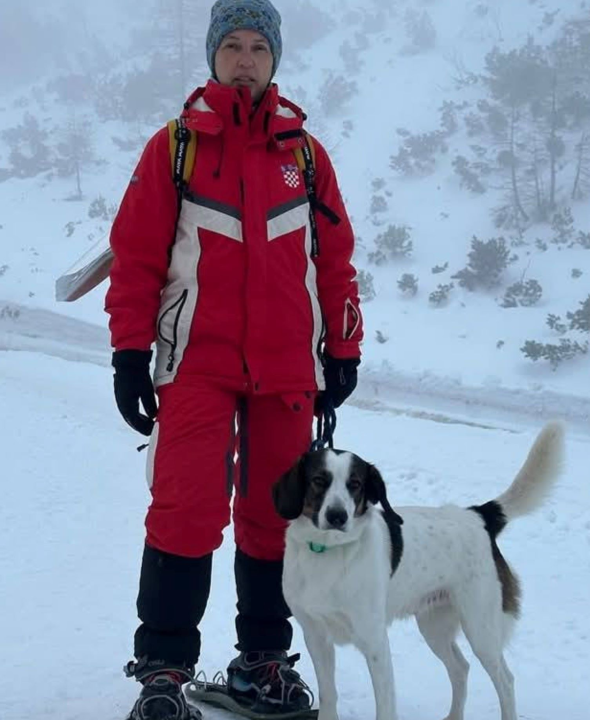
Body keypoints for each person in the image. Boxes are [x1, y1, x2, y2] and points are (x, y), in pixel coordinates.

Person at [105, 2, 363, 718]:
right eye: (233, 47)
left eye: (258, 47)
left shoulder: (305, 157)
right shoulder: (176, 148)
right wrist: (129, 352)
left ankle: (262, 663)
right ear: (213, 56)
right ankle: (162, 672)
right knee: (185, 511)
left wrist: (342, 350)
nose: (245, 59)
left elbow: (336, 263)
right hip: (198, 365)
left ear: (274, 59)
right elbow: (135, 258)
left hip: (286, 372)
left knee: (274, 518)